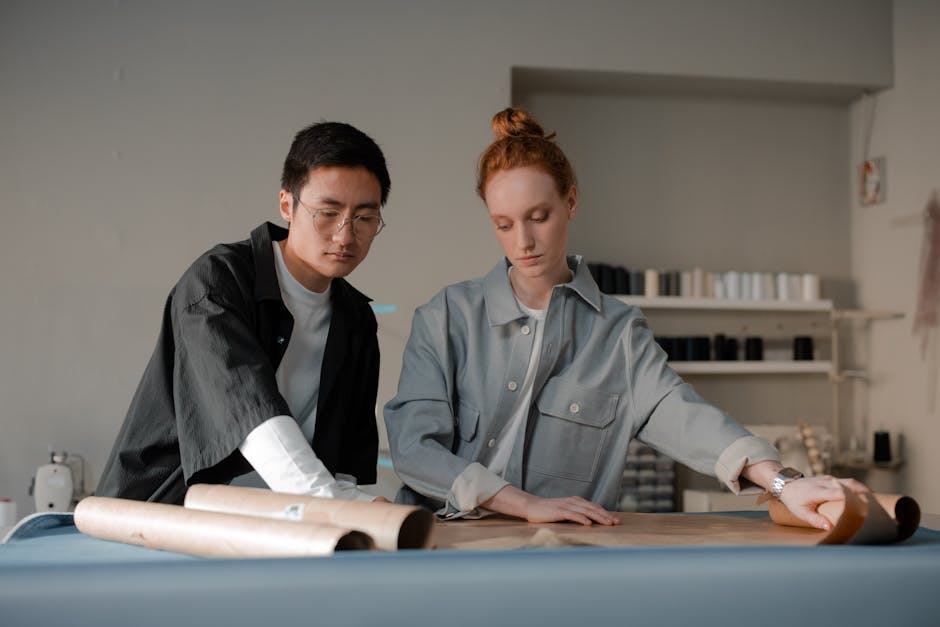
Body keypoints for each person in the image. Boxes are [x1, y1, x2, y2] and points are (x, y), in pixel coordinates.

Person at [385, 107, 866, 528]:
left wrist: (783, 483)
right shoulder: (447, 316)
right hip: (442, 540)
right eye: (503, 224)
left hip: (560, 554)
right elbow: (414, 449)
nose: (522, 242)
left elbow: (683, 414)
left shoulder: (617, 334)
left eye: (539, 216)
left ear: (570, 202)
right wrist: (523, 503)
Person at [97, 121, 391, 505]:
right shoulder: (217, 282)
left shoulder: (356, 319)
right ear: (287, 204)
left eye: (365, 218)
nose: (345, 236)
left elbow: (340, 467)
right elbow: (251, 417)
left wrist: (364, 506)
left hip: (281, 525)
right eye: (327, 213)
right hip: (158, 514)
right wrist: (337, 507)